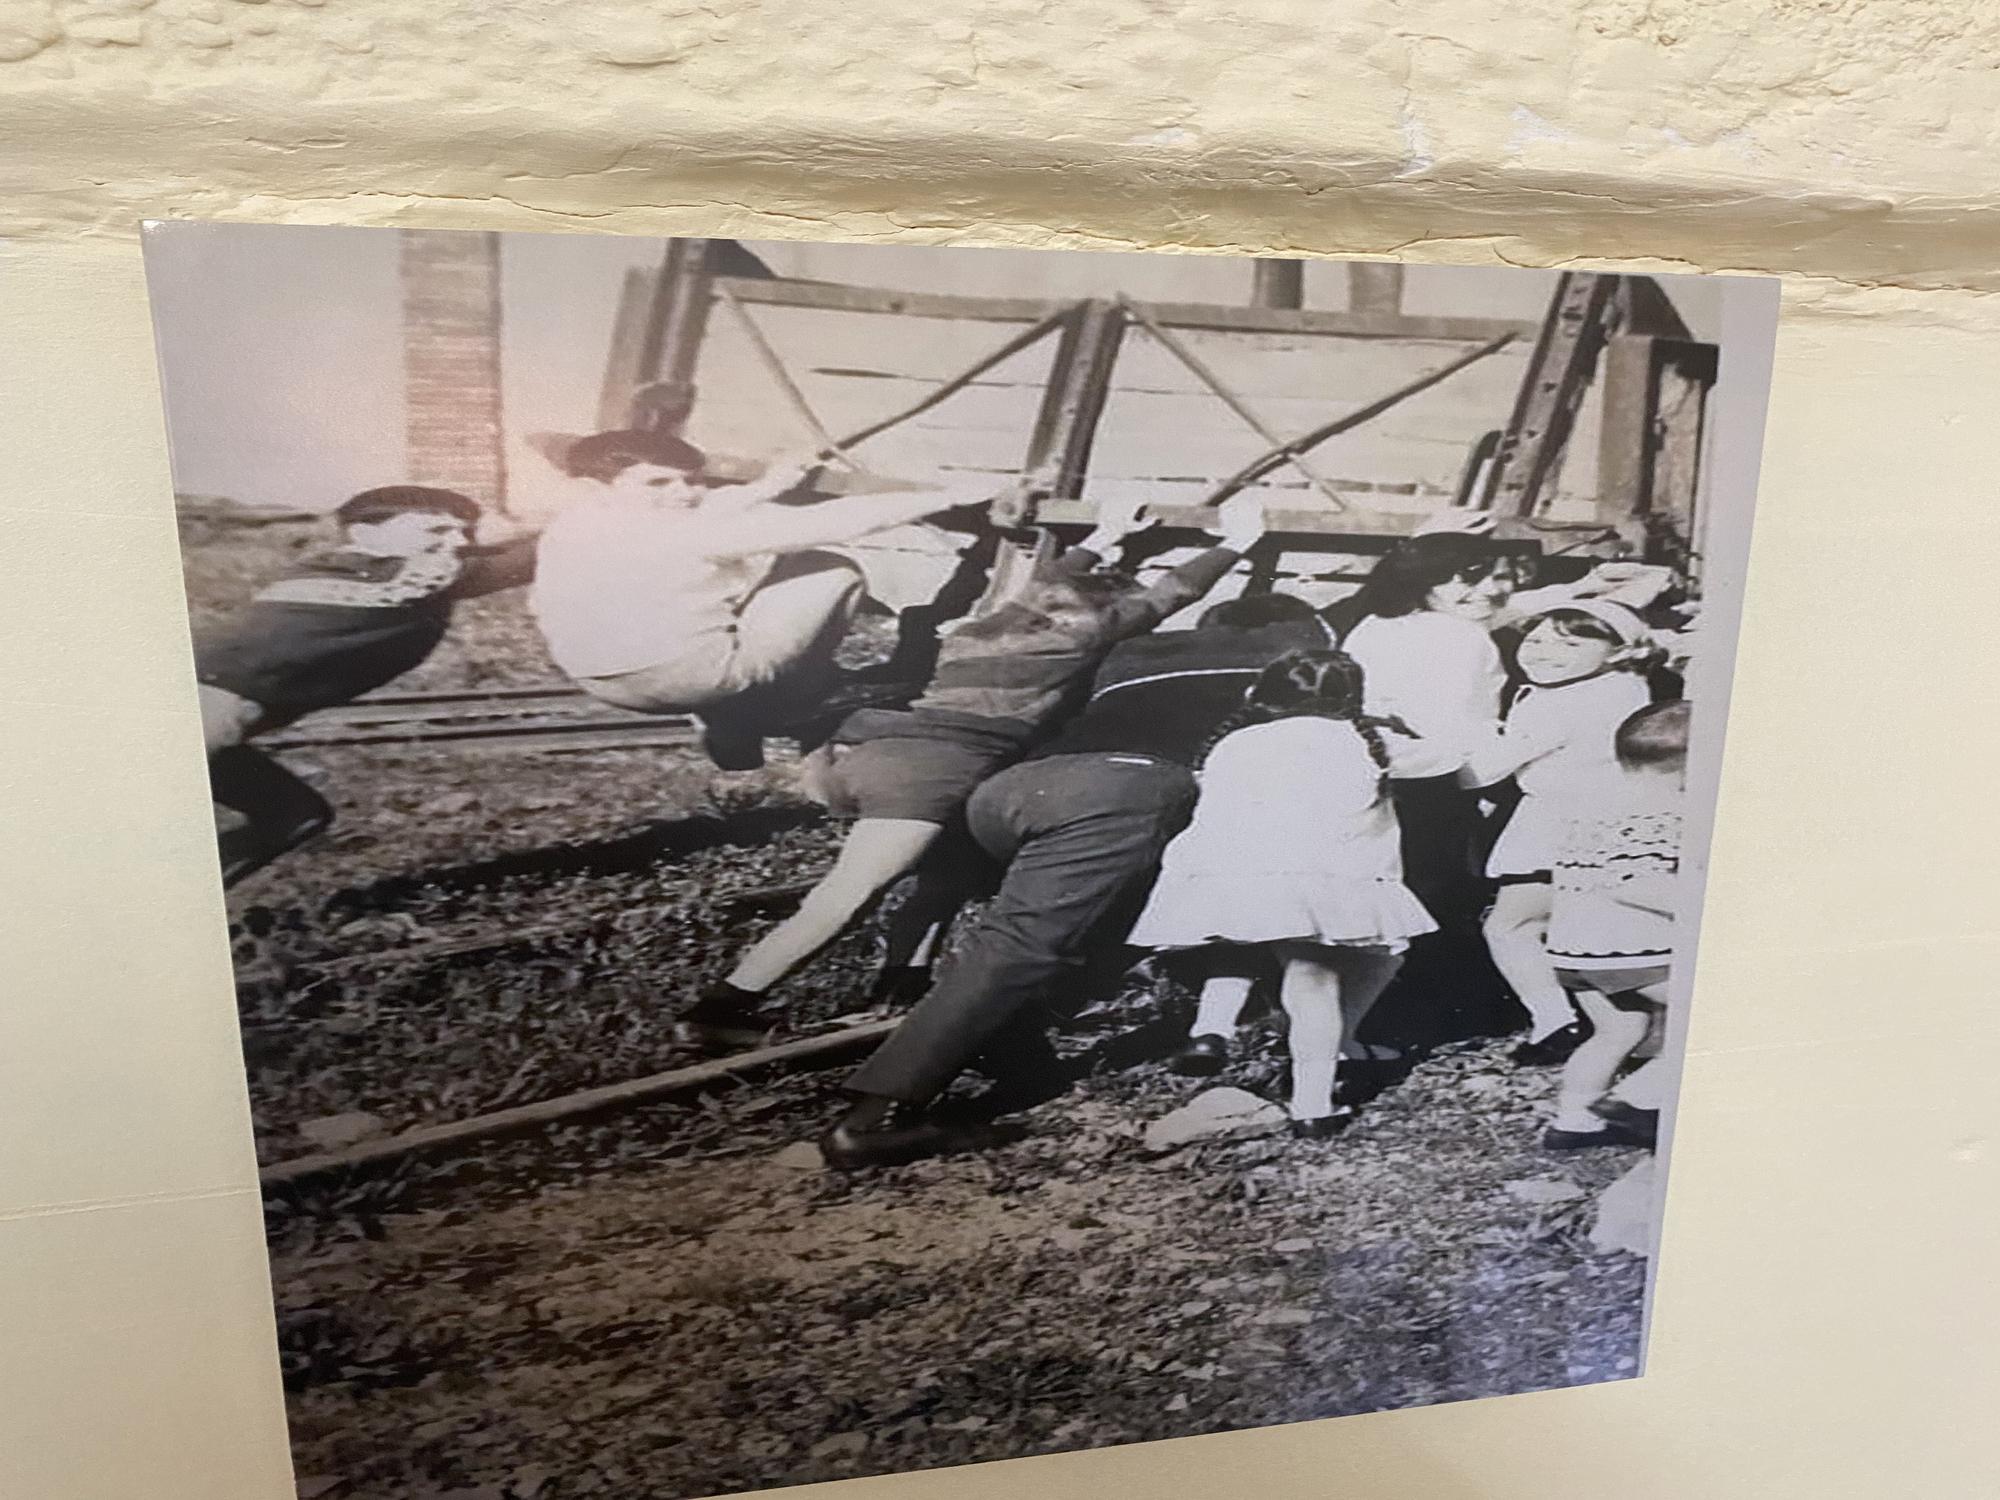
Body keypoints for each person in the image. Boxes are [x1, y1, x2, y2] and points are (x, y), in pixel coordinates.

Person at [677, 493, 1271, 1049]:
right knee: (849, 894)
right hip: (934, 770)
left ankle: (900, 988)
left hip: (871, 756)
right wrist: (1238, 542)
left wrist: (1108, 533)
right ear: (1105, 609)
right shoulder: (1088, 633)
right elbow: (1173, 592)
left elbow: (1051, 579)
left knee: (946, 875)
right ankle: (718, 1010)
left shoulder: (984, 626)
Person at [816, 584, 1336, 1171]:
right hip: (1121, 793)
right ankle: (872, 1119)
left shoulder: (1137, 652)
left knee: (1104, 913)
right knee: (1022, 946)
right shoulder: (1292, 648)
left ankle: (1007, 1039)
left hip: (1013, 792)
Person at [527, 428, 995, 770]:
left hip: (598, 682)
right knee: (830, 569)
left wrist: (773, 483)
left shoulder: (575, 522)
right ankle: (792, 701)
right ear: (597, 486)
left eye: (692, 480)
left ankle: (734, 716)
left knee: (737, 584)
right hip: (691, 681)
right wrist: (959, 495)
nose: (685, 495)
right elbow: (842, 520)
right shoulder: (684, 532)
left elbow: (706, 511)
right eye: (658, 484)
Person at [1127, 651, 1437, 1136]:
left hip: (1226, 867)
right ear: (1352, 698)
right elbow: (1451, 758)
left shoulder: (1232, 742)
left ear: (1260, 695)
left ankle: (1211, 1028)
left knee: (1235, 944)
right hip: (1319, 875)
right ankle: (1313, 1104)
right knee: (1318, 976)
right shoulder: (1369, 740)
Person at [194, 485, 535, 885]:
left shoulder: (333, 570)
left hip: (197, 715)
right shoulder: (398, 577)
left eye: (463, 532)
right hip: (193, 718)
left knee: (294, 815)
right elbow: (532, 556)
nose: (458, 543)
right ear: (364, 535)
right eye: (435, 532)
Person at [1460, 599, 1661, 1064]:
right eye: (1534, 640)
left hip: (1558, 825)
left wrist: (1453, 747)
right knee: (1574, 929)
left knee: (1511, 927)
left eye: (1567, 644)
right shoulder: (1625, 686)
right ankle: (1615, 1028)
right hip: (1611, 821)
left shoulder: (1559, 702)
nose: (1541, 652)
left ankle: (1554, 1021)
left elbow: (1480, 772)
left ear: (1616, 651)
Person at [1542, 700, 1689, 1150]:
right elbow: (1635, 882)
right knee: (1710, 1017)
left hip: (1573, 948)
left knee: (1619, 1030)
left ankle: (1574, 1120)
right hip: (1628, 946)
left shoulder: (1595, 802)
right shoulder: (1661, 810)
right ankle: (1634, 1099)